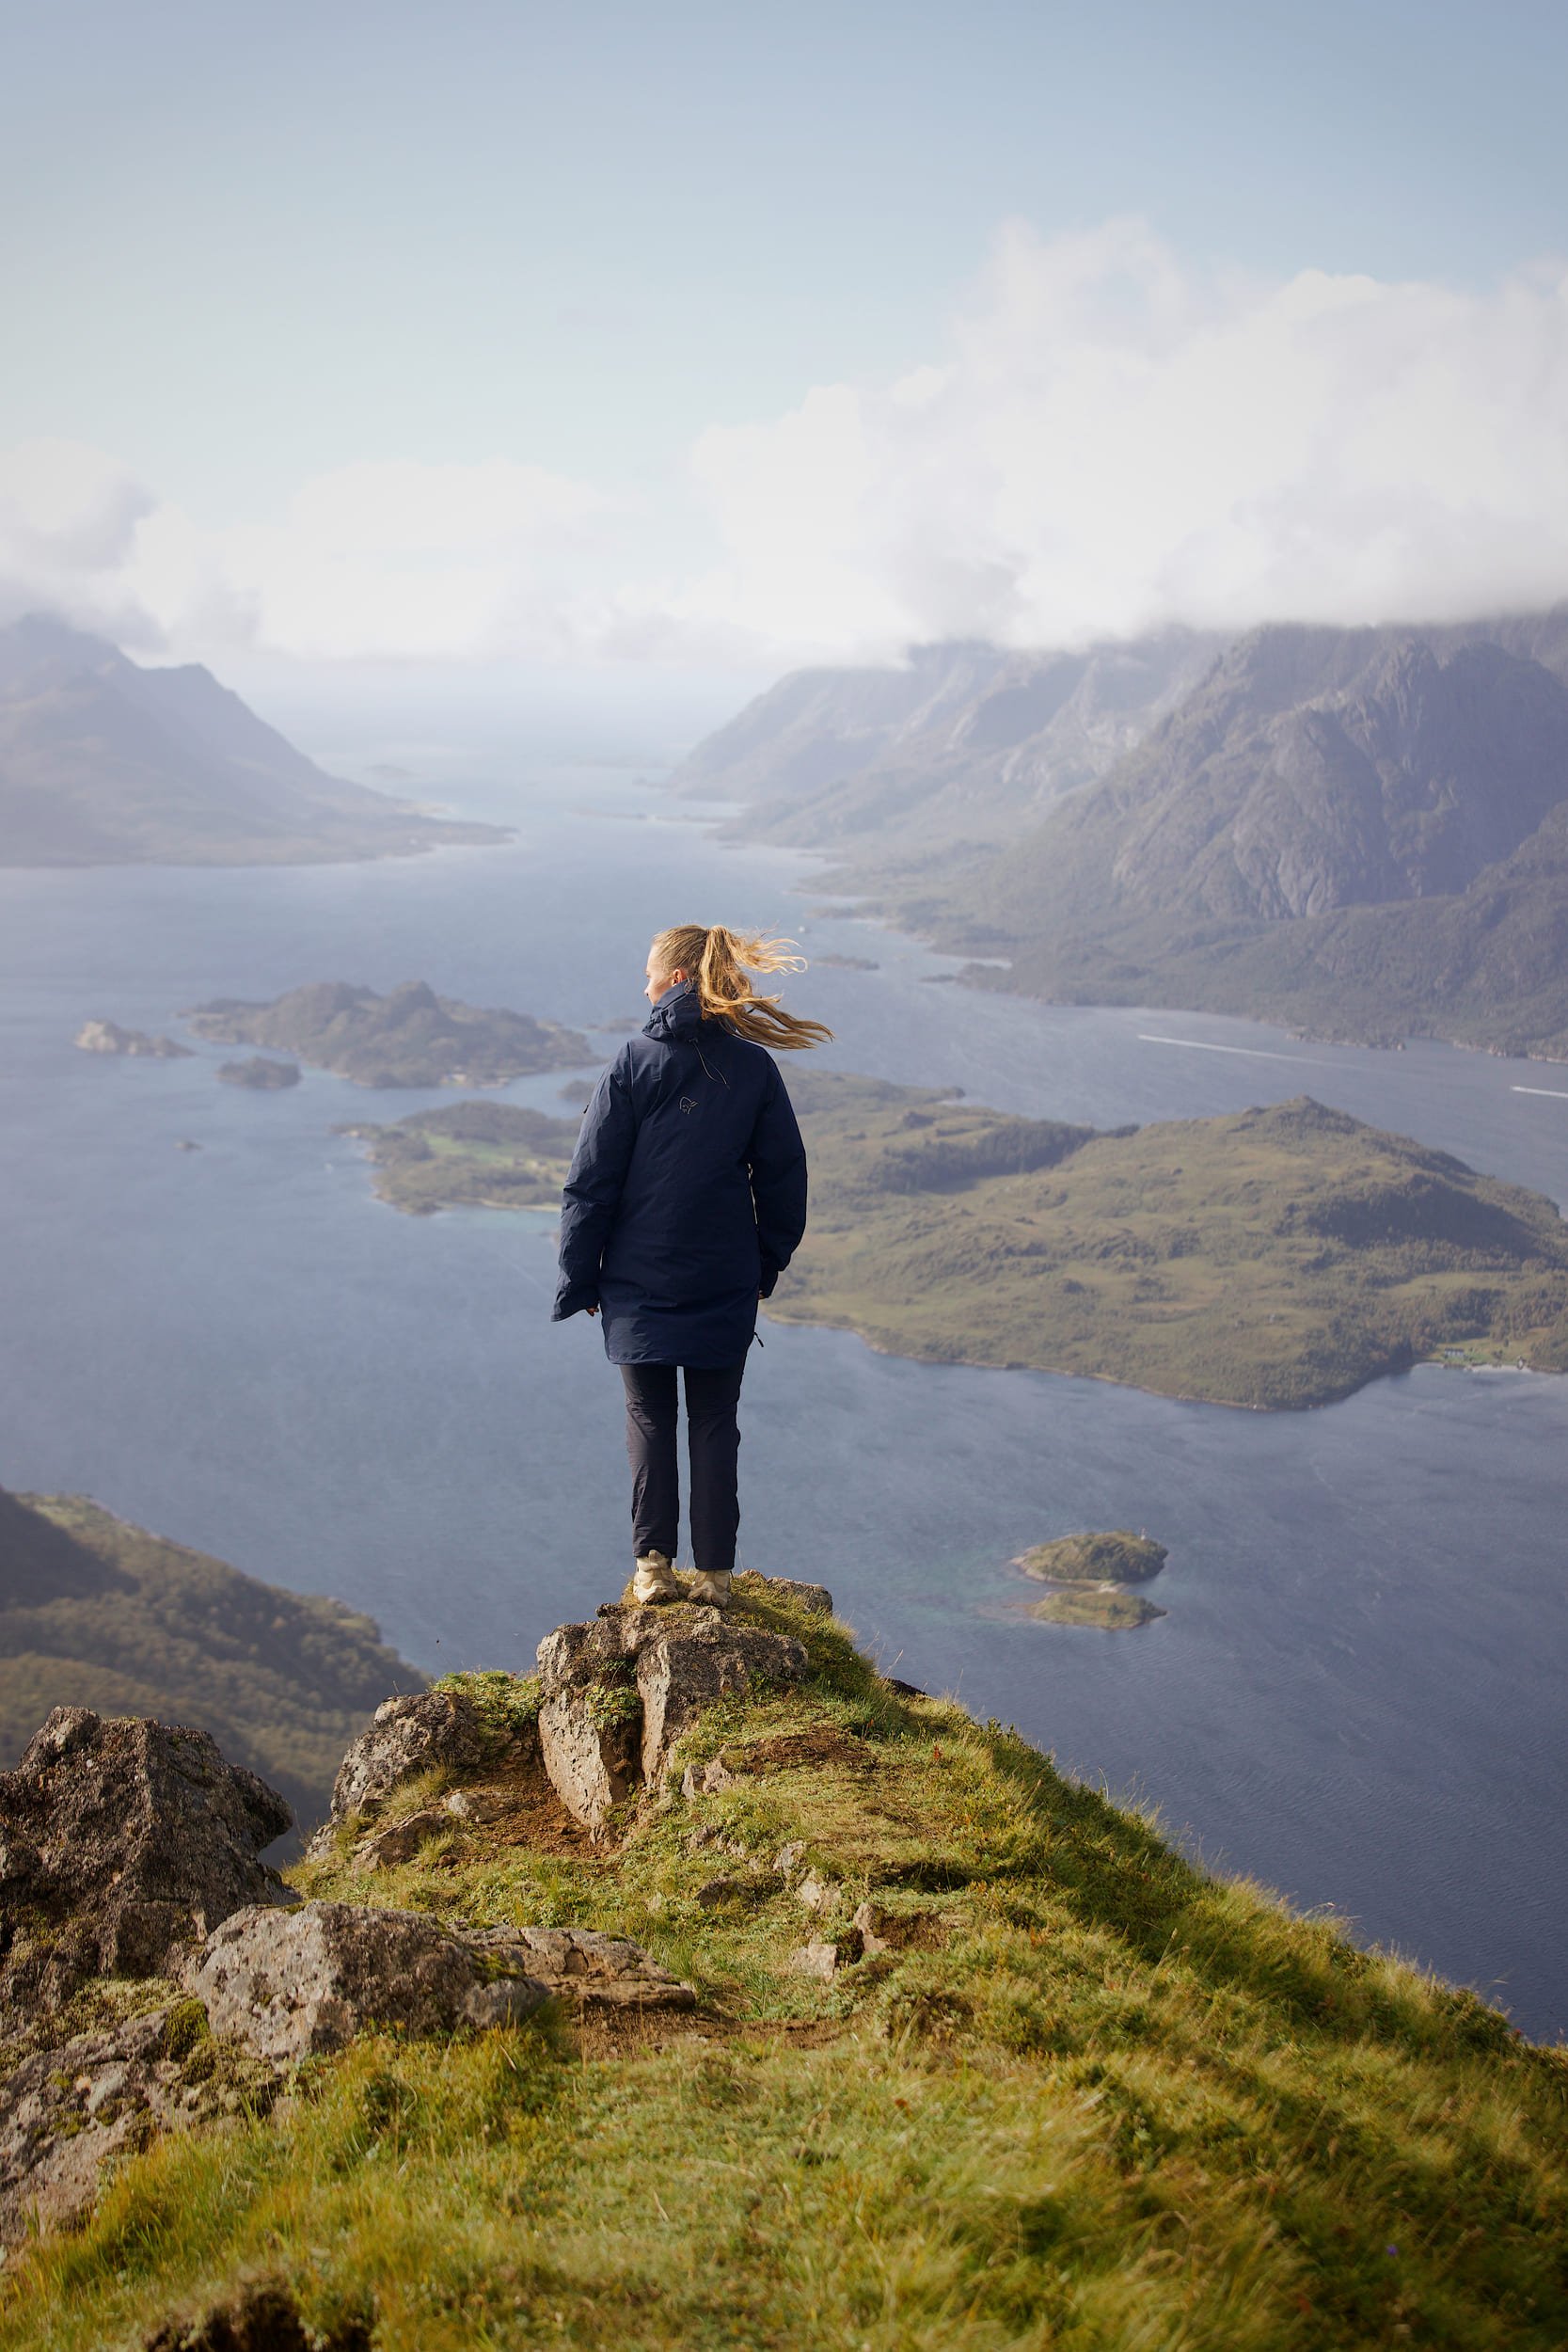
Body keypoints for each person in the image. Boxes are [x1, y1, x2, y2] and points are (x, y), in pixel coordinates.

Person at [551, 924, 831, 1607]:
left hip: (636, 1279)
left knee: (649, 1417)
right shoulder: (753, 1068)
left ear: (676, 978)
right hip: (723, 1275)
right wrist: (765, 1264)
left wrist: (580, 1278)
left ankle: (652, 1570)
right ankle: (714, 1577)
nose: (643, 985)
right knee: (714, 1420)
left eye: (649, 973)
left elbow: (591, 1183)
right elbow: (784, 1177)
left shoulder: (633, 1061)